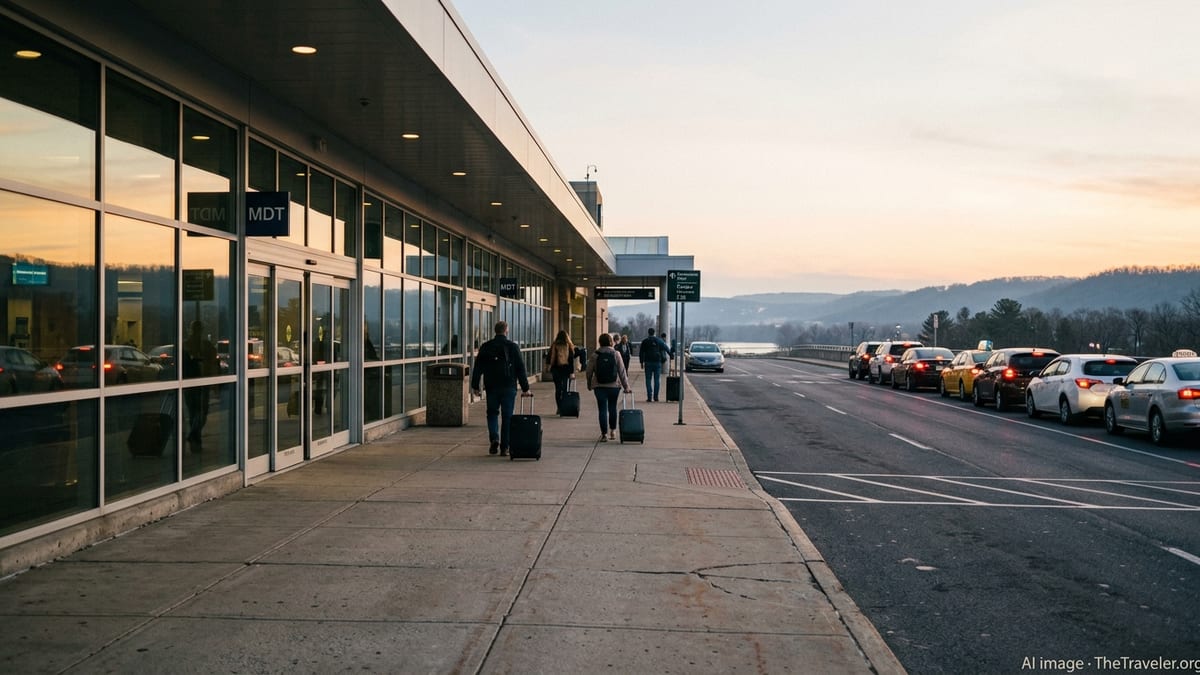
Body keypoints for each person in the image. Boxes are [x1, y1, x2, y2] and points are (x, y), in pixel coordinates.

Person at [470, 321, 530, 456]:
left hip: (491, 386)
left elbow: (478, 368)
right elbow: (520, 368)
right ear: (506, 330)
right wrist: (525, 387)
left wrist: (475, 386)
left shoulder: (486, 346)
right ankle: (505, 447)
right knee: (507, 416)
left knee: (492, 413)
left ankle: (494, 438)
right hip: (509, 386)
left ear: (495, 331)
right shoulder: (513, 347)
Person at [586, 332, 631, 442]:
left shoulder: (595, 355)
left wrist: (589, 384)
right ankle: (613, 431)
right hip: (614, 386)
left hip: (599, 386)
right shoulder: (616, 354)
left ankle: (604, 434)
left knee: (602, 409)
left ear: (600, 342)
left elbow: (589, 371)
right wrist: (626, 386)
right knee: (612, 408)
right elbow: (622, 371)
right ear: (611, 342)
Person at [182, 320, 218, 450]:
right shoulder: (188, 345)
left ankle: (194, 436)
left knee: (198, 413)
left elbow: (213, 361)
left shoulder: (203, 345)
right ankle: (194, 438)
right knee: (198, 412)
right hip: (195, 383)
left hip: (199, 383)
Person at [546, 330, 577, 415]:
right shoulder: (569, 346)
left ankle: (559, 408)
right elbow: (571, 360)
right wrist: (572, 372)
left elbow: (549, 358)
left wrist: (549, 366)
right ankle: (564, 407)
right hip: (566, 370)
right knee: (565, 389)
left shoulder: (554, 345)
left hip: (556, 370)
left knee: (558, 389)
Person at [639, 327, 672, 402]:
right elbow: (666, 348)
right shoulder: (659, 340)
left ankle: (649, 397)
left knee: (648, 379)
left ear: (648, 333)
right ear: (654, 333)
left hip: (648, 362)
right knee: (657, 380)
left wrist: (641, 362)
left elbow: (641, 352)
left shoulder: (645, 341)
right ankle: (656, 397)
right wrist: (671, 354)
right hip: (657, 362)